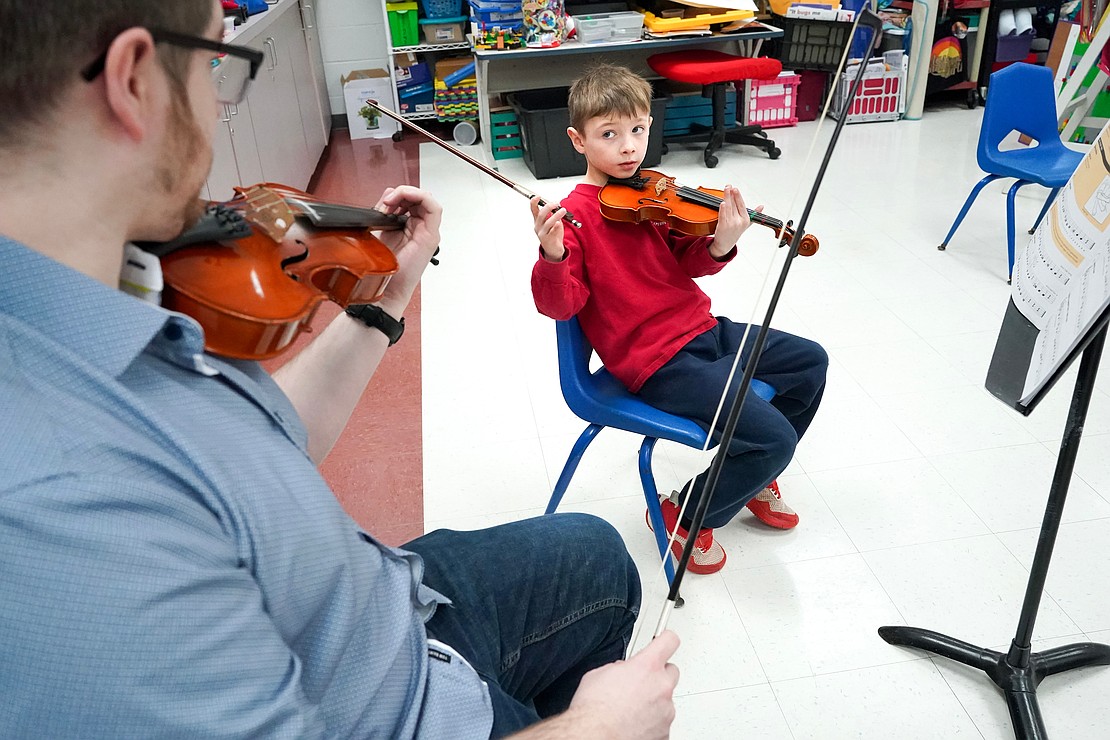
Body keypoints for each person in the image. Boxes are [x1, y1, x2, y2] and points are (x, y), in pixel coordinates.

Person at [0, 3, 681, 737]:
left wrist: (388, 295)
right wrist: (598, 729)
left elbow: (258, 440)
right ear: (135, 82)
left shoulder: (100, 286)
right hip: (391, 700)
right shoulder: (61, 512)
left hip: (369, 600)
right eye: (212, 64)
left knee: (598, 558)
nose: (219, 103)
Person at [530, 64, 828, 575]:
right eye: (609, 135)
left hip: (704, 331)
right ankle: (683, 512)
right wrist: (552, 254)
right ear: (578, 141)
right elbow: (561, 306)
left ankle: (747, 476)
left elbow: (687, 260)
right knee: (774, 437)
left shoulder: (651, 193)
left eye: (638, 130)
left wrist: (720, 242)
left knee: (809, 363)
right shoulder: (574, 219)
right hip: (657, 362)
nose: (628, 147)